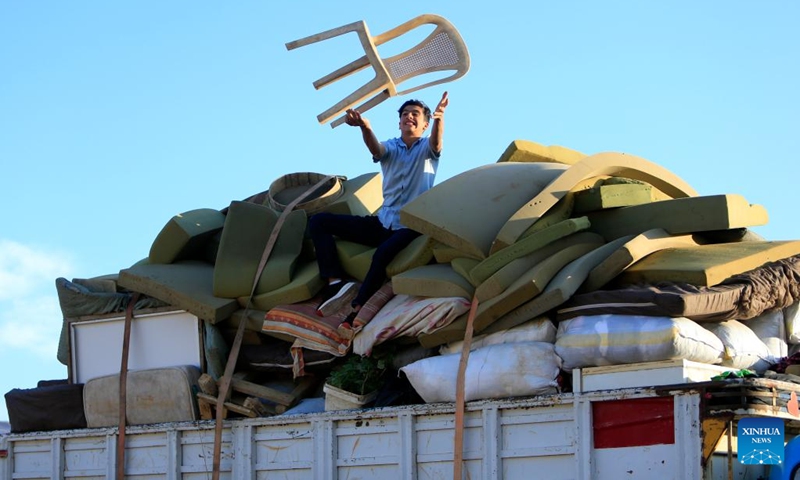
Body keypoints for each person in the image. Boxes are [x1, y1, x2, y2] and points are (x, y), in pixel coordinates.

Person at [308, 91, 450, 334]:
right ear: (399, 122)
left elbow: (437, 143)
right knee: (319, 222)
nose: (409, 117)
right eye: (405, 114)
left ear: (424, 124)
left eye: (415, 114)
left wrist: (439, 118)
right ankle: (335, 283)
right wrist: (364, 126)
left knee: (382, 255)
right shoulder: (392, 147)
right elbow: (376, 149)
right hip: (383, 222)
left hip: (410, 225)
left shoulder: (427, 150)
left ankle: (355, 312)